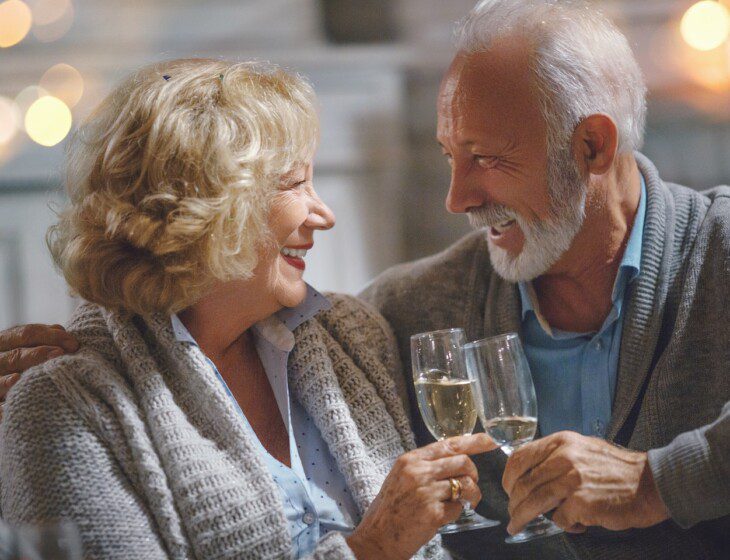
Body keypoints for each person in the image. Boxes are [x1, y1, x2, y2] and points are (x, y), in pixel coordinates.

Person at [0, 58, 496, 560]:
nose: (324, 214)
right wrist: (372, 547)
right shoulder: (66, 405)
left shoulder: (355, 334)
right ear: (205, 206)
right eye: (295, 182)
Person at [360, 1, 729, 559]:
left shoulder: (720, 250)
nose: (457, 198)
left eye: (485, 158)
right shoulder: (408, 310)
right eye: (450, 156)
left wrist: (653, 483)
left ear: (592, 147)